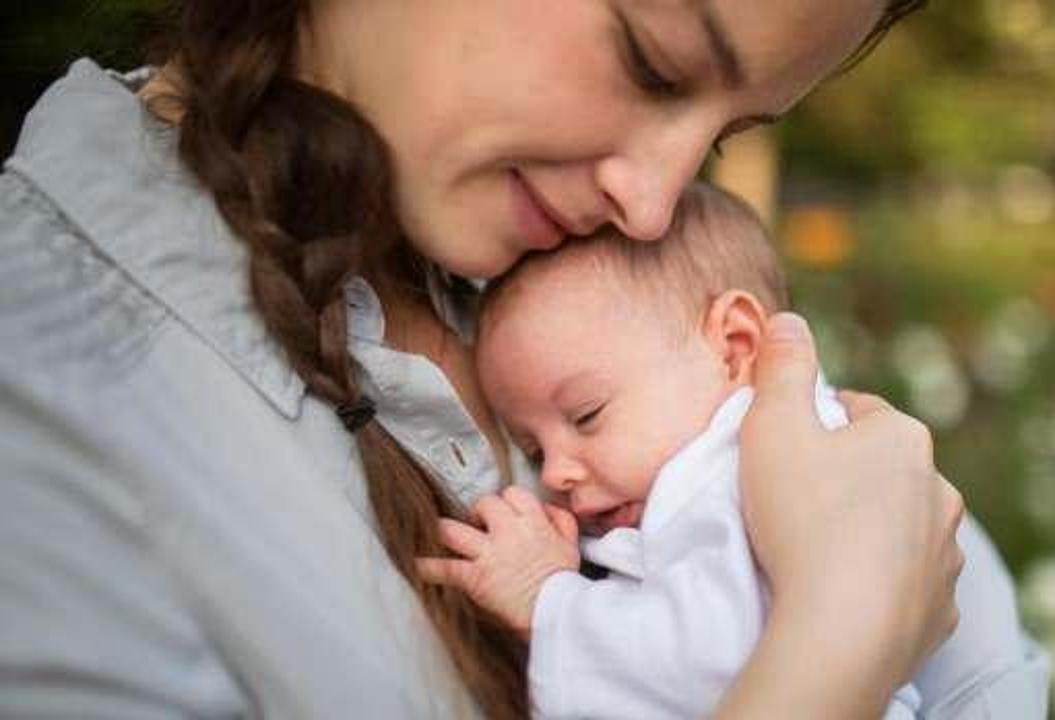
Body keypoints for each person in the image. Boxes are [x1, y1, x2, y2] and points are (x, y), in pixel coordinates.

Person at [0, 1, 964, 718]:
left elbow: (982, 667)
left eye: (724, 137)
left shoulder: (592, 286)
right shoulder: (45, 399)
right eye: (651, 62)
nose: (655, 204)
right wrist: (842, 629)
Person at [419, 181, 1048, 718]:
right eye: (530, 448)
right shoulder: (703, 470)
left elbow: (733, 659)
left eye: (587, 415)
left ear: (734, 347)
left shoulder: (738, 479)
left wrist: (551, 602)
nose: (555, 472)